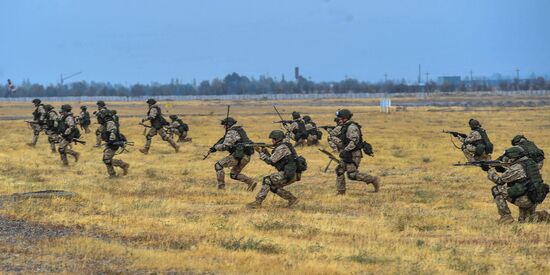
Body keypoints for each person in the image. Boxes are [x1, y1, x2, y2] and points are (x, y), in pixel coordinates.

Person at [485, 146, 550, 224]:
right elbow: (521, 175)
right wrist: (502, 167)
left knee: (496, 189)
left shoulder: (517, 167)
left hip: (525, 199)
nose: (507, 159)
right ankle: (543, 215)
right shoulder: (531, 163)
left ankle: (506, 217)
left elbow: (499, 181)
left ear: (514, 157)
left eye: (509, 157)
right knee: (525, 221)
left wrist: (488, 170)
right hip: (535, 197)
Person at [247, 130, 306, 208]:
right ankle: (292, 199)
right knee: (273, 187)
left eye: (273, 139)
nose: (272, 141)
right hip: (292, 173)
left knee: (267, 180)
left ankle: (258, 202)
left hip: (289, 173)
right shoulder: (284, 146)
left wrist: (260, 152)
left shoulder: (282, 148)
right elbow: (274, 161)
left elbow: (270, 161)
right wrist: (265, 151)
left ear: (277, 139)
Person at [331, 109, 379, 194]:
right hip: (347, 152)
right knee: (339, 171)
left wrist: (345, 150)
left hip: (354, 154)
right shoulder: (344, 126)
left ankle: (373, 179)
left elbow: (354, 141)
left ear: (345, 118)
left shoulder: (352, 127)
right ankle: (341, 192)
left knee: (352, 175)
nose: (339, 120)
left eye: (340, 118)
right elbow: (335, 135)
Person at [209, 117, 256, 190]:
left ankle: (221, 187)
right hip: (246, 156)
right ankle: (251, 182)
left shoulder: (232, 131)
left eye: (225, 125)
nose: (224, 127)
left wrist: (216, 148)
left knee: (218, 165)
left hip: (238, 156)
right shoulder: (240, 130)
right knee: (234, 174)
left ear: (228, 125)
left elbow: (225, 146)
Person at [101, 111, 130, 178]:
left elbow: (113, 131)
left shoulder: (110, 122)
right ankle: (112, 174)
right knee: (106, 159)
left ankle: (123, 165)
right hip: (111, 143)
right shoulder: (108, 122)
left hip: (113, 143)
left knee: (106, 159)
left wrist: (111, 140)